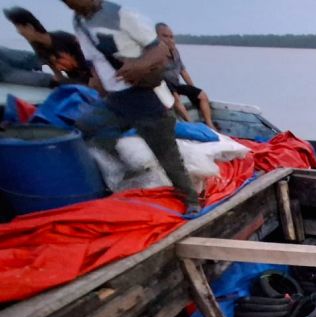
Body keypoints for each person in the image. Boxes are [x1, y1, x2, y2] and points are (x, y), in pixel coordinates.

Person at [61, 0, 200, 215]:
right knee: (85, 127)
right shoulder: (79, 22)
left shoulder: (122, 15)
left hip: (147, 98)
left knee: (166, 154)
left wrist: (139, 65)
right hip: (115, 100)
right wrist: (97, 88)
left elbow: (160, 49)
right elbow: (93, 62)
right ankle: (126, 171)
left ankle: (190, 199)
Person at [4, 6, 90, 84]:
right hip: (75, 82)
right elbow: (58, 75)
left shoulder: (65, 38)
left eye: (18, 27)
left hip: (93, 81)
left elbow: (93, 65)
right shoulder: (37, 46)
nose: (18, 32)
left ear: (30, 27)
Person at [155, 22, 215, 130]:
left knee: (202, 95)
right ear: (157, 36)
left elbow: (183, 71)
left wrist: (192, 89)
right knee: (176, 98)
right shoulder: (153, 52)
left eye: (171, 37)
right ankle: (192, 125)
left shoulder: (175, 51)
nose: (169, 39)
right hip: (162, 84)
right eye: (164, 36)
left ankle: (210, 125)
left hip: (176, 83)